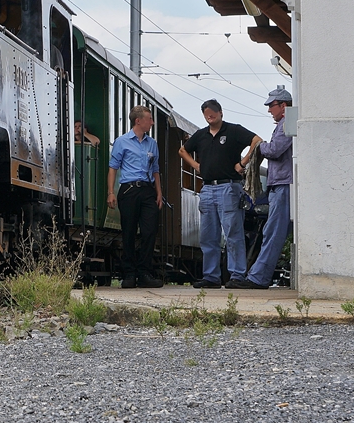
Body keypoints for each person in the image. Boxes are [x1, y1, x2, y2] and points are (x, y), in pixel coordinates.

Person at [179, 99, 262, 289]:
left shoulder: (233, 130)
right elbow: (182, 150)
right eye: (207, 115)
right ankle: (211, 276)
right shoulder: (201, 135)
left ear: (221, 112)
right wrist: (197, 166)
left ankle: (237, 275)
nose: (210, 117)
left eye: (213, 114)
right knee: (208, 236)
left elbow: (257, 141)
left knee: (233, 233)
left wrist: (243, 163)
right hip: (207, 188)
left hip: (229, 186)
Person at [107, 106, 164, 289]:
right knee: (129, 232)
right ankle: (129, 274)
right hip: (129, 190)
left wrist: (159, 193)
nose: (152, 122)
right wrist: (111, 192)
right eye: (149, 119)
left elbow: (155, 170)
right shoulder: (122, 141)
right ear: (138, 121)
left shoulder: (152, 143)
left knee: (149, 231)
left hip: (148, 191)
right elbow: (113, 168)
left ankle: (145, 272)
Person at [242, 87, 294, 288]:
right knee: (273, 232)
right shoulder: (284, 124)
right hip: (281, 183)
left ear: (283, 106)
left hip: (283, 184)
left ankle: (258, 278)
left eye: (272, 105)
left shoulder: (286, 124)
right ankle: (259, 275)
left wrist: (259, 146)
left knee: (273, 232)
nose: (269, 110)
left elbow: (275, 150)